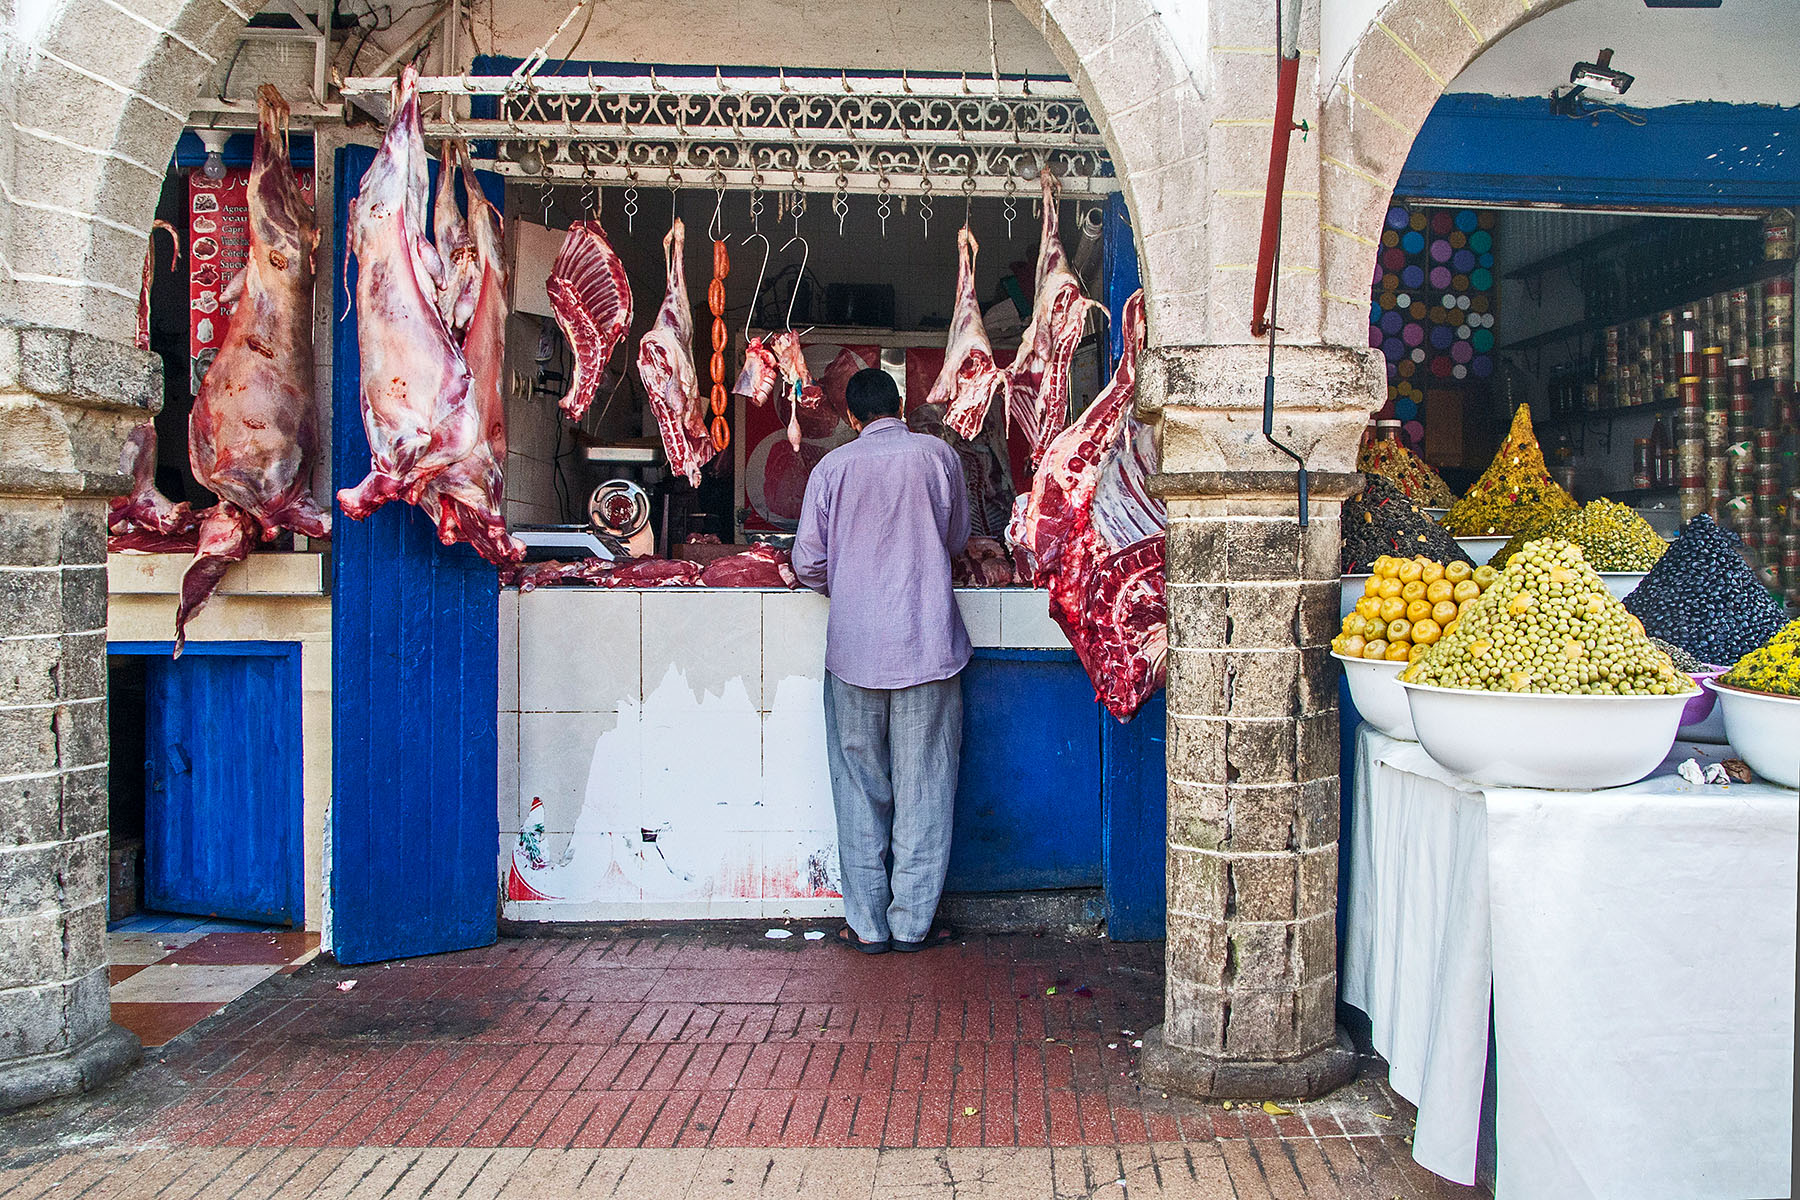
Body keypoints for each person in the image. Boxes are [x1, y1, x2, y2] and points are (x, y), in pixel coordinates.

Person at [792, 367, 970, 954]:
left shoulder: (831, 469)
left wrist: (852, 588)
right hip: (927, 646)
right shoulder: (938, 456)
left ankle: (867, 927)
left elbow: (808, 563)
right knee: (925, 789)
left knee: (858, 788)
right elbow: (956, 537)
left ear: (851, 417)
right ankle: (913, 926)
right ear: (904, 404)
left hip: (853, 653)